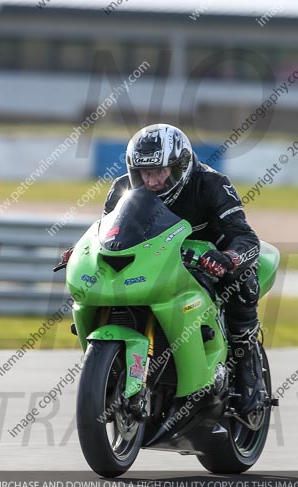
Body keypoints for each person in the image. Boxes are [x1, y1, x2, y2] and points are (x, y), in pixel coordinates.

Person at [103, 123, 266, 414]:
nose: (151, 181)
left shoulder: (213, 184)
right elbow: (106, 234)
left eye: (159, 172)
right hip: (155, 263)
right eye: (143, 173)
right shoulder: (122, 190)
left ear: (181, 166)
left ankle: (248, 374)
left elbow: (246, 237)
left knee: (243, 283)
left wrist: (228, 258)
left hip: (207, 263)